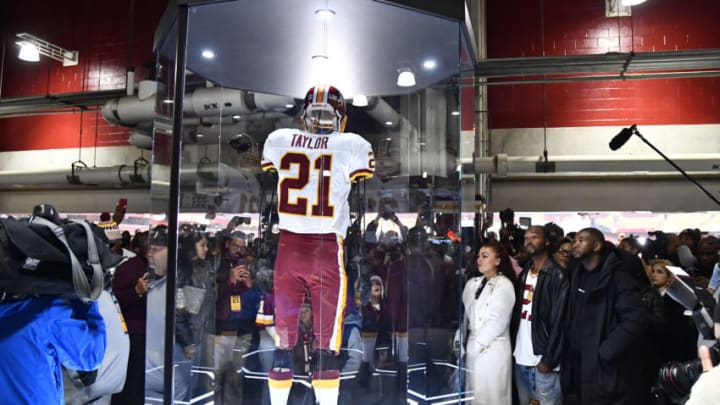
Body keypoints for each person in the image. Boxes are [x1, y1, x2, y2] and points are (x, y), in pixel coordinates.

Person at [261, 84, 375, 405]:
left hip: (287, 247)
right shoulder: (350, 145)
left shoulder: (280, 140)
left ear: (305, 116)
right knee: (325, 345)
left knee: (284, 342)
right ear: (341, 117)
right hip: (325, 247)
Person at [561, 227, 650, 405]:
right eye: (575, 240)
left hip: (606, 370)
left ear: (596, 246)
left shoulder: (619, 278)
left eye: (581, 240)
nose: (575, 244)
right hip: (579, 364)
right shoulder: (576, 275)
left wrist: (606, 352)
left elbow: (635, 319)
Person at [0, 296, 106, 404]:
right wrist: (84, 294)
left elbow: (92, 355)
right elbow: (91, 355)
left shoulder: (42, 315)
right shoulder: (42, 314)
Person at [511, 225, 568, 405]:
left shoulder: (557, 275)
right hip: (521, 358)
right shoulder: (525, 273)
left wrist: (548, 360)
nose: (528, 241)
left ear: (547, 241)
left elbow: (561, 321)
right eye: (526, 237)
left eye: (534, 237)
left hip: (543, 362)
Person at [461, 241, 517, 405]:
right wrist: (463, 339)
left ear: (498, 260)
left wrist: (476, 345)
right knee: (474, 395)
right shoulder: (474, 283)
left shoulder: (504, 285)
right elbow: (466, 316)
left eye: (485, 256)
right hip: (473, 348)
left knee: (491, 396)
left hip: (493, 351)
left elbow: (497, 322)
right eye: (479, 256)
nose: (479, 259)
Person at [111, 230, 149, 405]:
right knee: (131, 384)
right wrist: (136, 291)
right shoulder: (128, 268)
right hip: (134, 334)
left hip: (153, 333)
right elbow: (116, 300)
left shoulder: (165, 267)